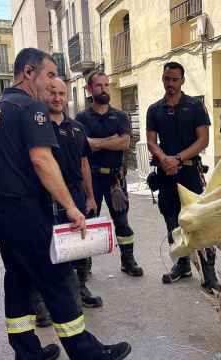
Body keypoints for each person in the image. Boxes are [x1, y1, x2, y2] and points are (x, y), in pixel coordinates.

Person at [0, 48, 131, 360]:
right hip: (24, 211)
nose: (50, 84)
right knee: (57, 279)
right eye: (48, 75)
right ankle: (87, 353)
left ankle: (27, 352)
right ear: (28, 73)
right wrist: (72, 208)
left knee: (18, 278)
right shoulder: (30, 108)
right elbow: (42, 160)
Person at [31, 78, 103, 329]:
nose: (57, 98)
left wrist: (91, 197)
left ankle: (80, 288)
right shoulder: (37, 125)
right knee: (46, 250)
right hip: (47, 195)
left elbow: (84, 164)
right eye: (52, 92)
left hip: (76, 194)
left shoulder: (77, 128)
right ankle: (41, 304)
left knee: (79, 246)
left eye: (62, 93)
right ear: (44, 94)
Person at [146, 62, 221, 294]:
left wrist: (177, 158)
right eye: (167, 79)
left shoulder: (195, 106)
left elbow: (203, 140)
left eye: (174, 79)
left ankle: (209, 274)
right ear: (163, 79)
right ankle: (182, 265)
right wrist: (163, 158)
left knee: (199, 221)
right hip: (166, 174)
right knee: (172, 222)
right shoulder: (154, 109)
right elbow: (151, 142)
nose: (170, 83)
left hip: (189, 172)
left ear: (182, 81)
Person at [76, 71, 144, 277]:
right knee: (88, 221)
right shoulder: (82, 118)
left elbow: (124, 143)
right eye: (99, 86)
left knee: (122, 221)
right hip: (91, 179)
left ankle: (128, 260)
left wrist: (95, 143)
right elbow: (82, 146)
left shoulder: (120, 116)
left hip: (115, 179)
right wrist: (110, 141)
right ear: (90, 89)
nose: (104, 89)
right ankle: (84, 266)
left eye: (106, 85)